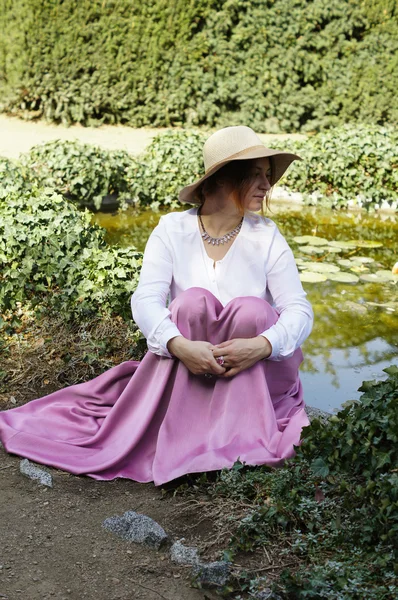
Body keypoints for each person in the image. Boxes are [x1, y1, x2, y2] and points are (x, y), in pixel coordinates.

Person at [0, 126, 313, 487]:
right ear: (223, 179)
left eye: (268, 174)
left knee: (252, 312)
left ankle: (234, 427)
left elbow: (299, 311)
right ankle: (191, 423)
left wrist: (262, 344)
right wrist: (180, 346)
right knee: (191, 303)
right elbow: (147, 299)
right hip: (190, 372)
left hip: (255, 376)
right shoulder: (171, 230)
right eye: (255, 174)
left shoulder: (267, 236)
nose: (266, 184)